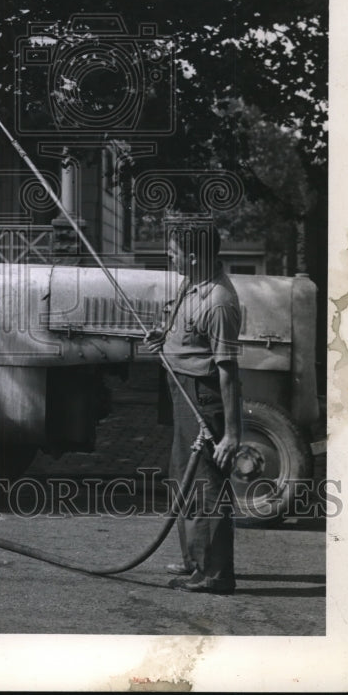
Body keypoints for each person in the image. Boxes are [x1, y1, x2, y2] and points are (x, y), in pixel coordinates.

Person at [144, 221, 242, 594]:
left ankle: (214, 575)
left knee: (206, 486)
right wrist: (163, 339)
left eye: (172, 251)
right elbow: (186, 333)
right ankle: (195, 562)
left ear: (193, 256)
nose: (168, 255)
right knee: (183, 480)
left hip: (202, 398)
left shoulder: (219, 301)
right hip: (181, 389)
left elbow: (228, 371)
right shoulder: (192, 283)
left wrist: (232, 434)